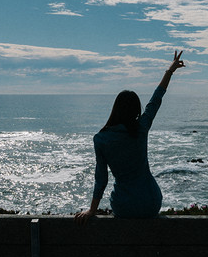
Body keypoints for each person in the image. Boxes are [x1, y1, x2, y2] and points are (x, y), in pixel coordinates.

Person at [75, 51, 185, 221]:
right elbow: (155, 100)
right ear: (135, 111)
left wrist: (92, 210)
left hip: (124, 205)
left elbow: (101, 179)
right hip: (150, 202)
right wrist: (169, 71)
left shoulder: (101, 139)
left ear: (115, 109)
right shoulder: (140, 128)